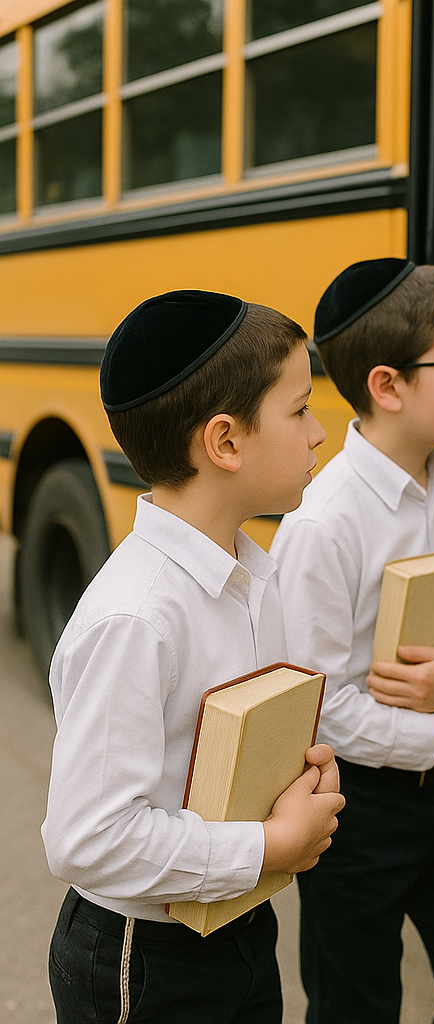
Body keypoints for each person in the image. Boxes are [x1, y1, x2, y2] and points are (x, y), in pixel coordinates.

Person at [41, 290, 346, 1023]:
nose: (320, 432)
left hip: (235, 925)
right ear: (226, 442)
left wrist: (299, 772)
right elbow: (88, 839)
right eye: (299, 409)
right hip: (142, 960)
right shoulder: (137, 616)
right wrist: (269, 843)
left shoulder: (251, 571)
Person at [270, 259, 434, 1024]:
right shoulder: (324, 525)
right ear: (388, 386)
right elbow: (317, 708)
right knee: (354, 1009)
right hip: (356, 812)